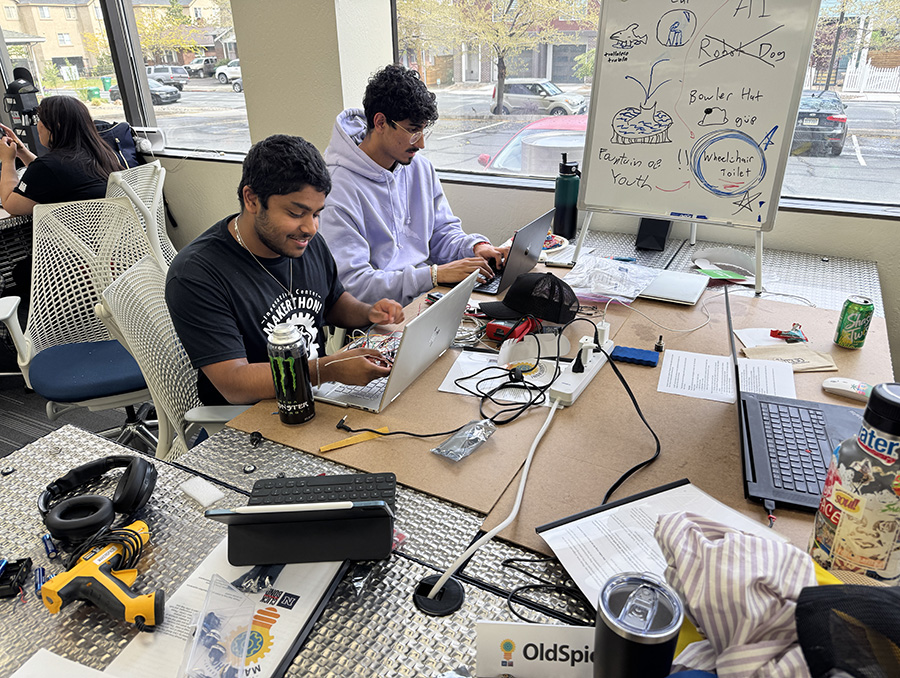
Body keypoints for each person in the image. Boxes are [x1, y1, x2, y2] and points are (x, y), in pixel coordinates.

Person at [166, 134, 405, 406]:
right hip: (256, 418)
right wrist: (327, 369)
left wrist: (368, 312)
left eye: (316, 214)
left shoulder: (306, 243)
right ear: (252, 199)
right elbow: (234, 383)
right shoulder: (196, 274)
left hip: (319, 396)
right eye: (296, 214)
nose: (311, 228)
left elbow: (332, 302)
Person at [319, 63, 508, 306]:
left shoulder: (419, 168)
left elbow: (441, 233)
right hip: (381, 315)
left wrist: (474, 247)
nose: (420, 145)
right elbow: (353, 286)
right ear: (380, 122)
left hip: (430, 296)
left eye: (423, 132)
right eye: (412, 131)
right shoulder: (337, 189)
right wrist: (433, 275)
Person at [0, 95, 122, 214]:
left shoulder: (48, 167)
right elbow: (51, 175)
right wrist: (22, 152)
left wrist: (7, 160)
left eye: (40, 120)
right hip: (110, 229)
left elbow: (11, 205)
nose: (38, 125)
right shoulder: (102, 153)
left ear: (56, 126)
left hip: (76, 232)